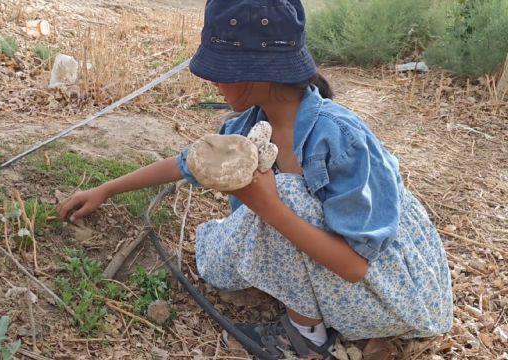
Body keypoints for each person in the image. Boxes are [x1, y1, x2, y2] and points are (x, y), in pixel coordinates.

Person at [56, 0, 453, 358]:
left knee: (281, 194)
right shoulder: (250, 126)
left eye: (222, 71)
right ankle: (305, 298)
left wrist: (267, 205)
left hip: (396, 293)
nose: (213, 82)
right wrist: (104, 190)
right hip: (343, 267)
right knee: (218, 262)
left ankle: (307, 337)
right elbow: (187, 162)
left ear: (261, 71)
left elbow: (353, 266)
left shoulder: (340, 136)